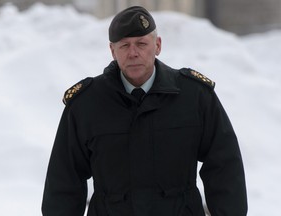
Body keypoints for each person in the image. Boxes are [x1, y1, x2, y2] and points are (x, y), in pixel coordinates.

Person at [42, 6, 247, 216]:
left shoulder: (195, 97)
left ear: (157, 45)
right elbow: (63, 183)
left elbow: (225, 169)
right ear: (112, 51)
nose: (133, 53)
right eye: (124, 45)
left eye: (141, 43)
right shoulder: (86, 104)